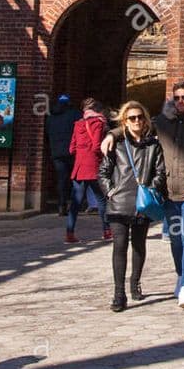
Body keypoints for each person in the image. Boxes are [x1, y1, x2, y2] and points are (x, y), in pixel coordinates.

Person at [104, 80, 184, 310]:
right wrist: (112, 134)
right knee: (176, 240)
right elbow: (138, 126)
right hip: (168, 193)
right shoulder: (162, 123)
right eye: (176, 97)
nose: (180, 101)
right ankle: (181, 274)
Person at [97, 100, 166, 312]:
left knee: (138, 244)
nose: (136, 121)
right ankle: (119, 293)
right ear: (124, 122)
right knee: (119, 246)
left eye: (140, 117)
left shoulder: (153, 145)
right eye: (132, 118)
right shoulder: (116, 144)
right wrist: (110, 191)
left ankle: (135, 281)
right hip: (119, 202)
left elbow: (160, 172)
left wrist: (150, 188)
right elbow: (103, 172)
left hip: (141, 202)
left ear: (145, 120)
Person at [67, 97, 111, 243]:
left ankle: (70, 233)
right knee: (101, 200)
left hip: (79, 167)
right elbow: (97, 145)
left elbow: (71, 148)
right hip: (93, 166)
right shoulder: (98, 123)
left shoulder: (78, 124)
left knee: (75, 201)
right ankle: (106, 231)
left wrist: (81, 154)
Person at [45, 94, 79, 216]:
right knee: (75, 179)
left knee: (61, 179)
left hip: (56, 152)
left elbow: (47, 134)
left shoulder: (51, 117)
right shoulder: (74, 115)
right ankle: (73, 203)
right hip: (72, 152)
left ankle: (61, 204)